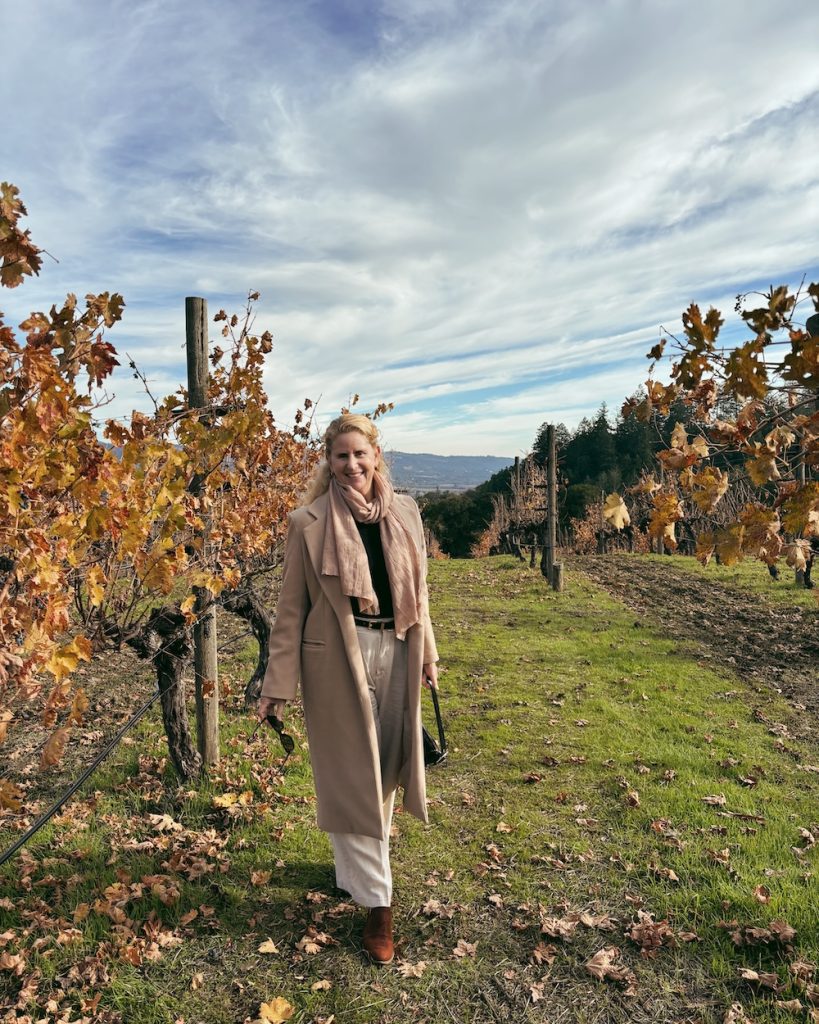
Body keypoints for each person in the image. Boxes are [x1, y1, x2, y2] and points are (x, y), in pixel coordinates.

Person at [257, 413, 439, 965]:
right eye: (341, 456)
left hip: (400, 648)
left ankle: (352, 871)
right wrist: (277, 686)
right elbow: (291, 611)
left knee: (382, 768)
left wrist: (428, 653)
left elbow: (421, 591)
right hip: (338, 658)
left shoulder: (405, 511)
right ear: (328, 461)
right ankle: (378, 905)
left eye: (361, 454)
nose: (352, 465)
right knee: (351, 773)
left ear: (376, 456)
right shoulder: (307, 521)